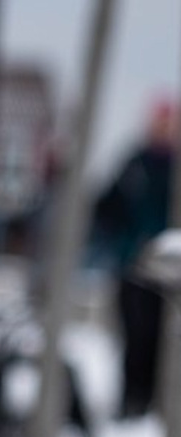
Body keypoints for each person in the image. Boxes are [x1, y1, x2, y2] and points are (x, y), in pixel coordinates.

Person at [93, 96, 178, 420]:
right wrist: (116, 240)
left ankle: (159, 406)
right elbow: (107, 206)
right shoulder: (134, 163)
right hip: (133, 267)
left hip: (171, 270)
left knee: (163, 342)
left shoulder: (173, 168)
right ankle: (133, 403)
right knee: (135, 339)